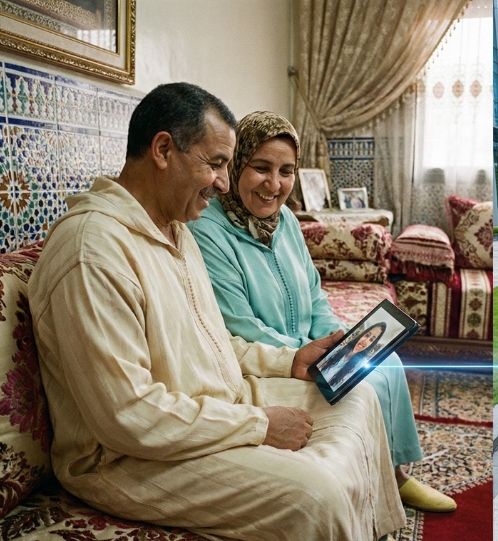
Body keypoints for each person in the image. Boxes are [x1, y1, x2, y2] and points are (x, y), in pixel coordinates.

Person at [27, 83, 405, 540]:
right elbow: (127, 418)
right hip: (128, 459)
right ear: (163, 149)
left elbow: (211, 338)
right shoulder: (93, 252)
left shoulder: (175, 228)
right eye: (217, 164)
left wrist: (290, 360)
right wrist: (259, 425)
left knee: (357, 397)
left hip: (215, 409)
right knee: (316, 496)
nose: (224, 183)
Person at [188, 111, 455, 513]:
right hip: (269, 364)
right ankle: (375, 485)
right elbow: (238, 325)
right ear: (236, 163)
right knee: (365, 386)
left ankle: (397, 475)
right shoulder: (209, 230)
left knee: (387, 361)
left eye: (286, 171)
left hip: (312, 349)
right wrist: (310, 354)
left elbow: (314, 297)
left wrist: (343, 339)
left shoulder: (288, 221)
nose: (273, 184)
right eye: (260, 168)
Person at [320, 322, 387, 390]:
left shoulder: (362, 365)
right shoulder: (340, 348)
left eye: (371, 340)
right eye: (367, 335)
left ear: (372, 344)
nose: (365, 341)